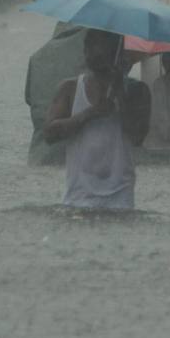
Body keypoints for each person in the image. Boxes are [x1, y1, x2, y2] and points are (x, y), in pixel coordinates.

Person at [42, 29, 151, 210]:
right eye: (89, 47)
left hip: (121, 199)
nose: (93, 53)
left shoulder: (138, 91)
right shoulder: (69, 89)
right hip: (78, 198)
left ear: (117, 54)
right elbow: (49, 134)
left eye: (102, 48)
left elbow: (138, 136)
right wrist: (90, 114)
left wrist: (121, 95)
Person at [23, 22, 87, 166]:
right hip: (79, 152)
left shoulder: (37, 57)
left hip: (40, 154)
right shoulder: (92, 56)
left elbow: (29, 98)